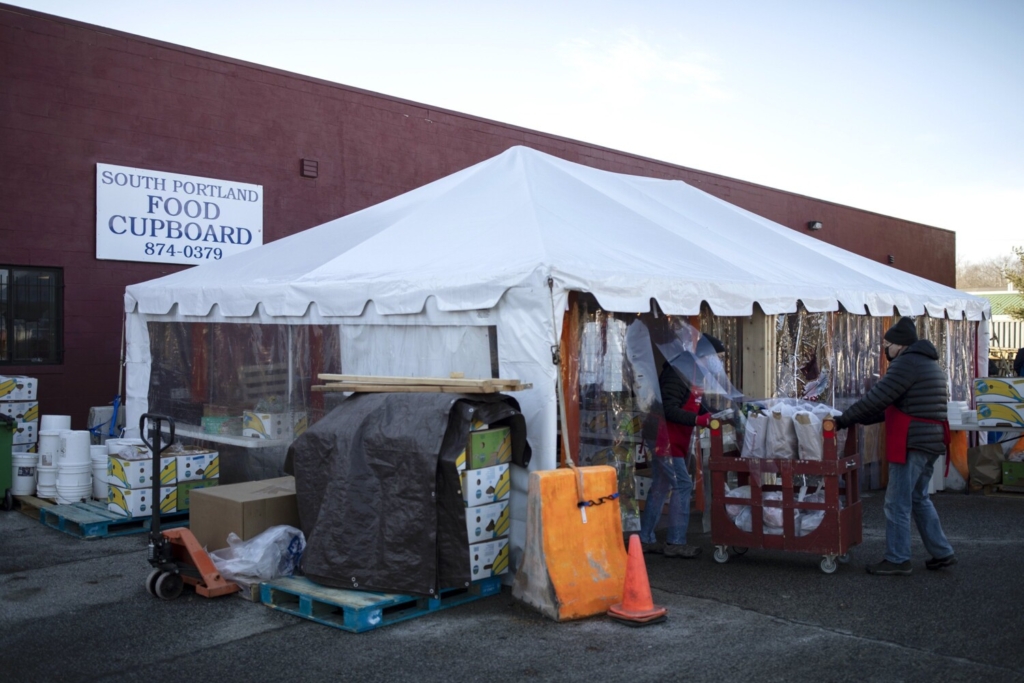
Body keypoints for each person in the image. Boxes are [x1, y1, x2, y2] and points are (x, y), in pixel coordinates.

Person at [834, 317, 955, 575]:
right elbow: (893, 405)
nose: (885, 349)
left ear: (899, 345)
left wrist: (843, 420)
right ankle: (942, 551)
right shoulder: (927, 362)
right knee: (918, 498)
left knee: (897, 502)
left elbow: (878, 398)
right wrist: (859, 419)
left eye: (886, 345)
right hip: (931, 440)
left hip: (912, 441)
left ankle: (898, 558)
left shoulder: (906, 363)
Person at [639, 333, 726, 559]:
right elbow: (668, 408)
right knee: (682, 484)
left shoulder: (696, 373)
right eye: (716, 356)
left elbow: (696, 405)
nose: (718, 361)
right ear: (704, 355)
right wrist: (698, 420)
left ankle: (645, 538)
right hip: (662, 436)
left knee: (660, 486)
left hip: (674, 438)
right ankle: (675, 542)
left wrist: (718, 415)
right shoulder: (677, 372)